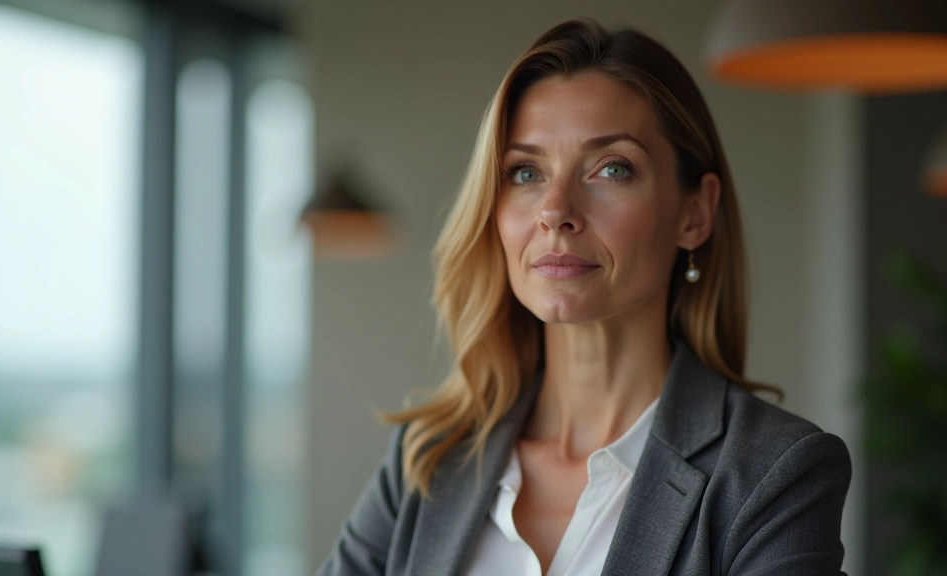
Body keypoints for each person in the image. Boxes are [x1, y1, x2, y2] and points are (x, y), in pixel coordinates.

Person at [316, 18, 851, 576]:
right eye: (525, 172)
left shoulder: (775, 473)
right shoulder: (426, 459)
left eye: (611, 169)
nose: (555, 211)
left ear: (694, 214)